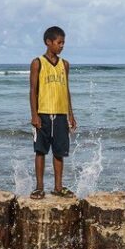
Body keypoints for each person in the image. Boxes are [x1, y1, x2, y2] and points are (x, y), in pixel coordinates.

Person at [29, 26, 77, 199]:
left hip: (61, 115)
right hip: (42, 114)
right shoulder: (37, 63)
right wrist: (34, 115)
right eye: (59, 42)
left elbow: (66, 91)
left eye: (63, 42)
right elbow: (33, 90)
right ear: (48, 42)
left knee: (59, 152)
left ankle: (58, 187)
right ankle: (39, 187)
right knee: (40, 151)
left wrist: (71, 114)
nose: (62, 46)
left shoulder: (65, 64)